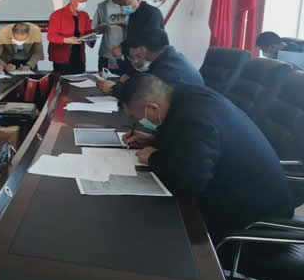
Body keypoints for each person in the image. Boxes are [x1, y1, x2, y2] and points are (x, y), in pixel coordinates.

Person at [119, 74, 293, 242]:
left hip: (253, 222)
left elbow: (188, 181)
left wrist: (153, 158)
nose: (138, 122)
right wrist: (153, 139)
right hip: (237, 193)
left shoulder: (195, 119)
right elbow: (185, 141)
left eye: (136, 117)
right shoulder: (184, 97)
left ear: (152, 108)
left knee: (147, 229)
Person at [97, 29, 203, 94]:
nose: (133, 57)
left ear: (142, 49)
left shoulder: (166, 70)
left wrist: (114, 89)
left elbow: (146, 97)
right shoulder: (172, 58)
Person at [116, 0, 164, 74]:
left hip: (149, 63)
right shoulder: (133, 13)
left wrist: (123, 49)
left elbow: (147, 41)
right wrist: (121, 46)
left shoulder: (152, 13)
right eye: (120, 5)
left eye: (126, 4)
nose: (123, 8)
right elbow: (132, 37)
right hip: (135, 60)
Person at [47, 0, 92, 74]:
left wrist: (94, 34)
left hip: (79, 56)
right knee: (61, 80)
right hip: (61, 57)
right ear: (73, 0)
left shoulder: (85, 15)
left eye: (86, 1)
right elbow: (51, 36)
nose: (85, 3)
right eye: (82, 1)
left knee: (80, 79)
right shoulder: (57, 15)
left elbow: (88, 32)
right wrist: (66, 40)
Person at [92, 0, 128, 71]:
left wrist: (127, 27)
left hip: (127, 55)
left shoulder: (130, 5)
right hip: (106, 55)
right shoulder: (102, 6)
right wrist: (100, 29)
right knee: (103, 80)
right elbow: (94, 29)